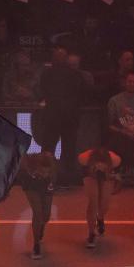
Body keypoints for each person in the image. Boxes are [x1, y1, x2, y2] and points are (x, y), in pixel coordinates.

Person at [37, 46, 84, 185]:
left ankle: (45, 179)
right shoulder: (75, 74)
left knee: (48, 149)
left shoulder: (47, 74)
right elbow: (81, 94)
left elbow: (42, 92)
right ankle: (67, 180)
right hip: (69, 118)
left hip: (54, 117)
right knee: (67, 150)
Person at [107, 72, 134, 180]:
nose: (132, 84)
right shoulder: (114, 101)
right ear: (125, 83)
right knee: (115, 141)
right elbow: (108, 124)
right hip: (121, 135)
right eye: (129, 81)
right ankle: (117, 177)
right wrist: (123, 131)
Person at [78, 146, 121, 249]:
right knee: (93, 202)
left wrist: (112, 179)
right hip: (90, 176)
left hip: (107, 177)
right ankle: (91, 232)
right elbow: (85, 175)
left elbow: (118, 184)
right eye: (98, 165)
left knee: (104, 203)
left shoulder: (115, 161)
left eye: (103, 165)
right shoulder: (84, 159)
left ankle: (100, 217)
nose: (100, 167)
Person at [16, 151, 57, 259]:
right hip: (31, 185)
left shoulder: (51, 172)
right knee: (37, 213)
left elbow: (52, 180)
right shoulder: (27, 165)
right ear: (36, 167)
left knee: (46, 215)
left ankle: (41, 226)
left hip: (46, 185)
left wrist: (48, 179)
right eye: (42, 172)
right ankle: (36, 244)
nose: (44, 174)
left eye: (47, 172)